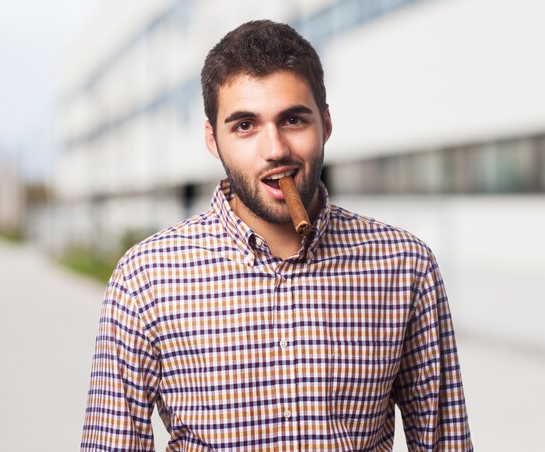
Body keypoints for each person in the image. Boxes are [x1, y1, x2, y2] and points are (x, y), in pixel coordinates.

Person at [81, 20, 472, 451]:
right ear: (213, 139)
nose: (275, 149)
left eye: (292, 119)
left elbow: (444, 442)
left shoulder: (405, 266)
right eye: (245, 125)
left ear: (325, 123)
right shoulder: (145, 278)